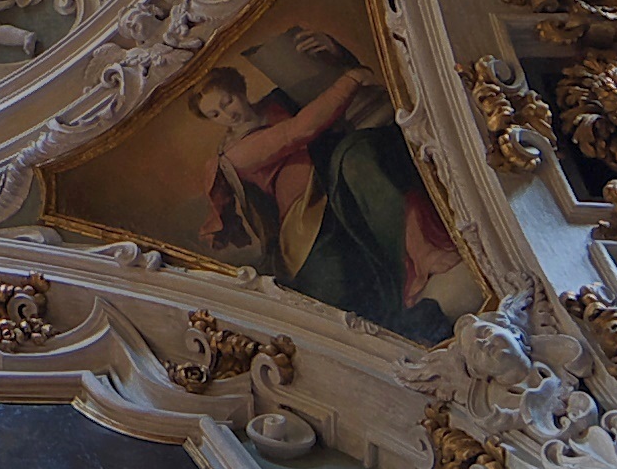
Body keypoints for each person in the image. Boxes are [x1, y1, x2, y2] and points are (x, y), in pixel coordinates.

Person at [195, 55, 461, 342]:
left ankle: (423, 255)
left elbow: (320, 94)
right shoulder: (235, 154)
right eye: (215, 115)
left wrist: (335, 55)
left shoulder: (275, 103)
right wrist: (351, 79)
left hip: (332, 186)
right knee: (353, 292)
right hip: (307, 224)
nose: (228, 114)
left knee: (366, 162)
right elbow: (298, 131)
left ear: (240, 89)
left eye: (227, 101)